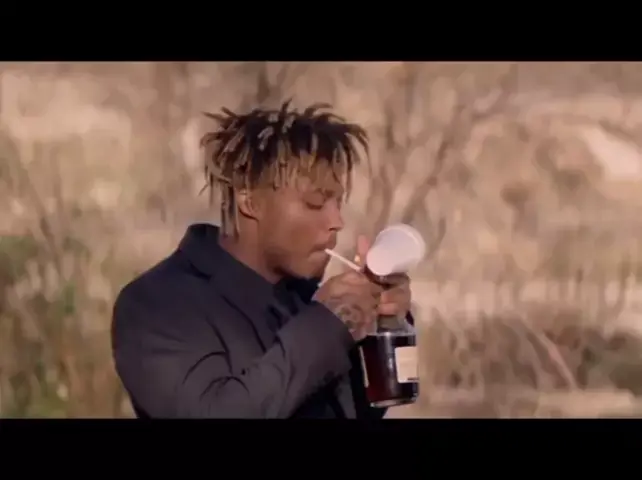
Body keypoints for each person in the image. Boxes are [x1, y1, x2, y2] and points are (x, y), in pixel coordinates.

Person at [111, 101, 414, 418]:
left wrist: (384, 323)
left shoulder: (303, 299)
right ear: (249, 199)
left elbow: (359, 411)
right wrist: (326, 325)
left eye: (338, 203)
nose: (337, 221)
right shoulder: (158, 304)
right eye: (315, 202)